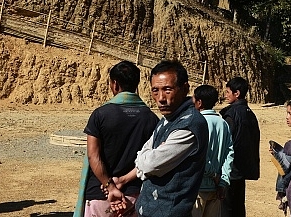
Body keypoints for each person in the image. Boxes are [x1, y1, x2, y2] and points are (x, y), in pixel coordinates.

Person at [77, 60, 159, 217]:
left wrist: (110, 186)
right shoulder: (151, 118)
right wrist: (123, 181)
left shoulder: (100, 115)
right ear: (137, 85)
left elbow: (93, 155)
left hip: (100, 193)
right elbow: (151, 160)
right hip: (135, 195)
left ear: (114, 84)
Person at [133, 60, 209, 217]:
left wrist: (145, 161)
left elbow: (149, 164)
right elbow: (148, 157)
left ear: (185, 88)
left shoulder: (190, 124)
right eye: (155, 90)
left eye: (167, 89)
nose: (161, 98)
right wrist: (147, 159)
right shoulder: (167, 120)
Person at [219, 77, 260, 217]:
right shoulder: (250, 114)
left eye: (228, 92)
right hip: (243, 169)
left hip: (230, 169)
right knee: (238, 206)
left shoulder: (231, 115)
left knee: (226, 207)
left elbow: (225, 143)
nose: (225, 95)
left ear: (236, 94)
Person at [191, 85, 234, 217]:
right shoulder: (222, 123)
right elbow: (229, 154)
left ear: (199, 102)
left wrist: (214, 175)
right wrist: (223, 182)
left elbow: (198, 155)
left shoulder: (196, 122)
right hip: (216, 189)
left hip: (197, 187)